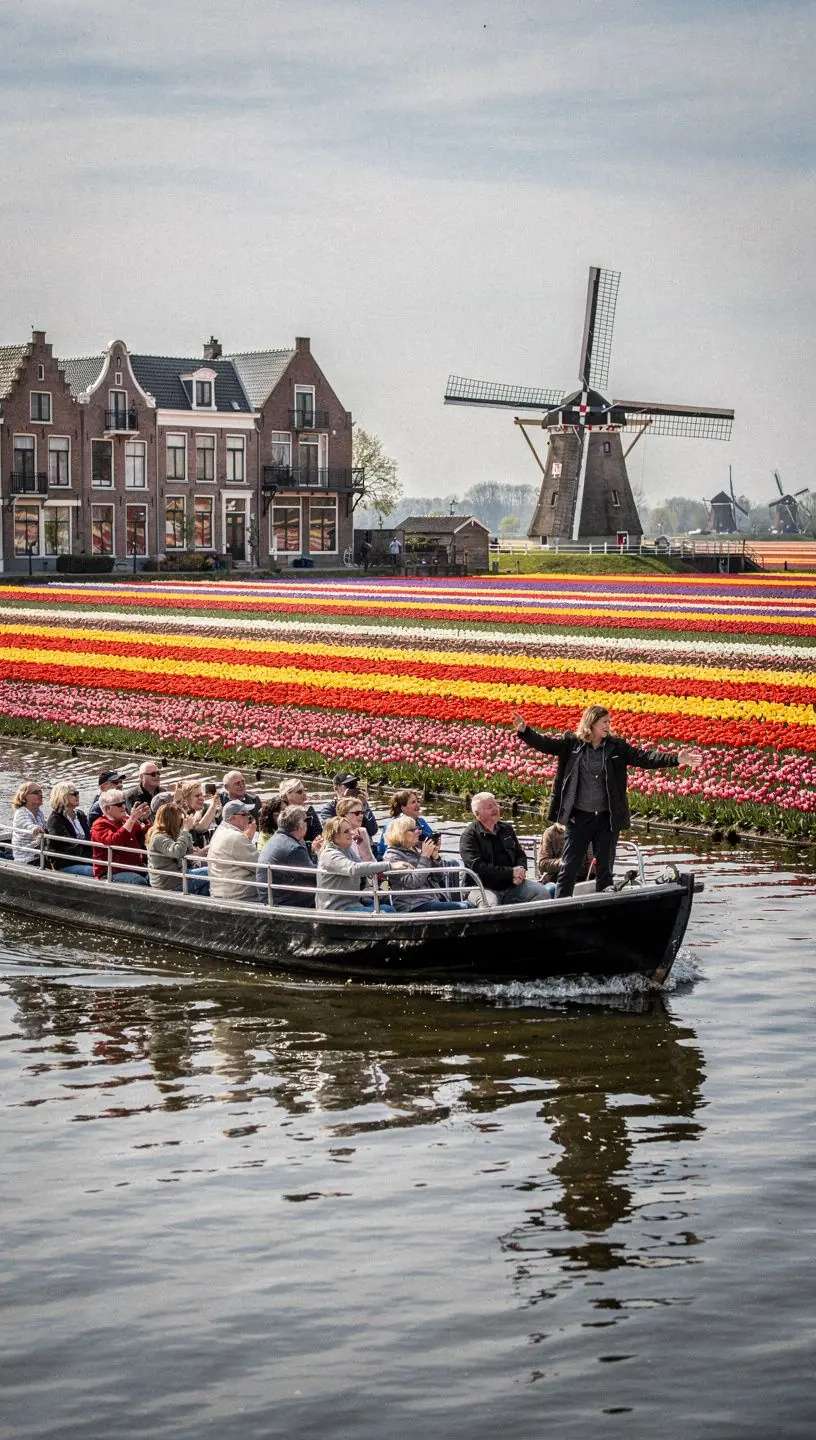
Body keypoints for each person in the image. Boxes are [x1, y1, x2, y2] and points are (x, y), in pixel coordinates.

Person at [513, 703, 701, 898]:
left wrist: (675, 759)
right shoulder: (572, 744)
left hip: (606, 819)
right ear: (591, 723)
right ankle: (560, 906)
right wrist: (525, 731)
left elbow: (644, 758)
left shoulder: (616, 747)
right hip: (579, 817)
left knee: (604, 870)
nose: (608, 725)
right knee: (569, 867)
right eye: (604, 722)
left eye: (609, 722)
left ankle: (603, 907)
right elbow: (546, 744)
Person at [459, 793, 552, 906]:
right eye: (490, 807)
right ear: (477, 814)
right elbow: (479, 867)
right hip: (481, 887)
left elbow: (520, 854)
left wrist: (520, 870)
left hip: (511, 884)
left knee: (542, 892)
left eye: (495, 804)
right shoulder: (469, 836)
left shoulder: (506, 829)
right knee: (491, 904)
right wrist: (511, 872)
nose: (495, 809)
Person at [382, 815, 470, 913]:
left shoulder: (416, 849)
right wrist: (425, 856)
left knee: (469, 905)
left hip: (431, 899)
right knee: (465, 907)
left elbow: (438, 878)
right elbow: (413, 883)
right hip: (412, 905)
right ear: (401, 834)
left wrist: (435, 857)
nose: (418, 832)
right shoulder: (392, 856)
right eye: (413, 830)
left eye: (418, 828)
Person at [315, 817, 390, 913]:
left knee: (388, 907)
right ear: (334, 836)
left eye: (350, 830)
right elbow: (354, 869)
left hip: (353, 902)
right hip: (336, 907)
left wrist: (364, 844)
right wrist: (389, 865)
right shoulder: (329, 854)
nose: (351, 833)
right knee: (386, 912)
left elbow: (362, 866)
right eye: (346, 831)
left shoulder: (347, 850)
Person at [257, 805, 323, 907]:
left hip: (272, 896)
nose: (308, 824)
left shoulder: (278, 838)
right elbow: (316, 875)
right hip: (284, 901)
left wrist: (313, 850)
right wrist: (321, 855)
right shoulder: (293, 849)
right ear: (299, 826)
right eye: (307, 820)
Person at [146, 802, 210, 895]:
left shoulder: (174, 833)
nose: (182, 821)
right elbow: (178, 852)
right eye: (180, 819)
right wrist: (186, 830)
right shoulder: (158, 837)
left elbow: (188, 852)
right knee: (210, 872)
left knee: (207, 883)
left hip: (179, 875)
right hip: (169, 882)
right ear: (172, 820)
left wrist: (187, 830)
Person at [90, 790, 150, 885]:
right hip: (112, 872)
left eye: (123, 803)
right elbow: (114, 841)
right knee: (139, 881)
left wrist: (144, 820)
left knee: (158, 878)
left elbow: (143, 837)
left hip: (135, 867)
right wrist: (132, 819)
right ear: (107, 808)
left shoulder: (125, 820)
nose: (123, 806)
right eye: (119, 804)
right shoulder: (99, 825)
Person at [206, 799, 261, 903]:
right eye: (245, 814)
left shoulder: (220, 831)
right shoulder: (235, 837)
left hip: (221, 892)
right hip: (241, 897)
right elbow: (259, 865)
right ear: (233, 817)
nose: (248, 818)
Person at [45, 781, 93, 875]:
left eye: (77, 793)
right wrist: (90, 855)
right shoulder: (55, 819)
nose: (77, 796)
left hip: (86, 857)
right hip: (67, 862)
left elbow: (89, 836)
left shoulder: (80, 815)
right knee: (93, 871)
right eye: (74, 794)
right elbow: (67, 845)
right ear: (63, 796)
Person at [318, 773, 378, 839]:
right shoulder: (329, 808)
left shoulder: (361, 805)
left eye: (353, 785)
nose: (352, 788)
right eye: (348, 785)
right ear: (336, 788)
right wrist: (345, 805)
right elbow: (331, 830)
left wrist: (364, 805)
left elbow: (372, 830)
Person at [277, 778, 323, 851]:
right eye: (299, 792)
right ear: (287, 794)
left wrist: (318, 841)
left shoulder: (309, 811)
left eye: (304, 790)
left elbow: (318, 833)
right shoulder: (280, 815)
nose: (304, 794)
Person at [178, 779, 219, 852]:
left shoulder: (195, 811)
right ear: (186, 799)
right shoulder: (181, 815)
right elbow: (201, 828)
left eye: (201, 795)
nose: (202, 798)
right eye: (197, 796)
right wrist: (214, 803)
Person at [11, 782, 47, 865]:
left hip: (39, 854)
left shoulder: (39, 812)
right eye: (36, 792)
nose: (40, 795)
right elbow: (28, 825)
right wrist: (36, 829)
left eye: (40, 792)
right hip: (27, 858)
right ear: (24, 796)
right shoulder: (21, 813)